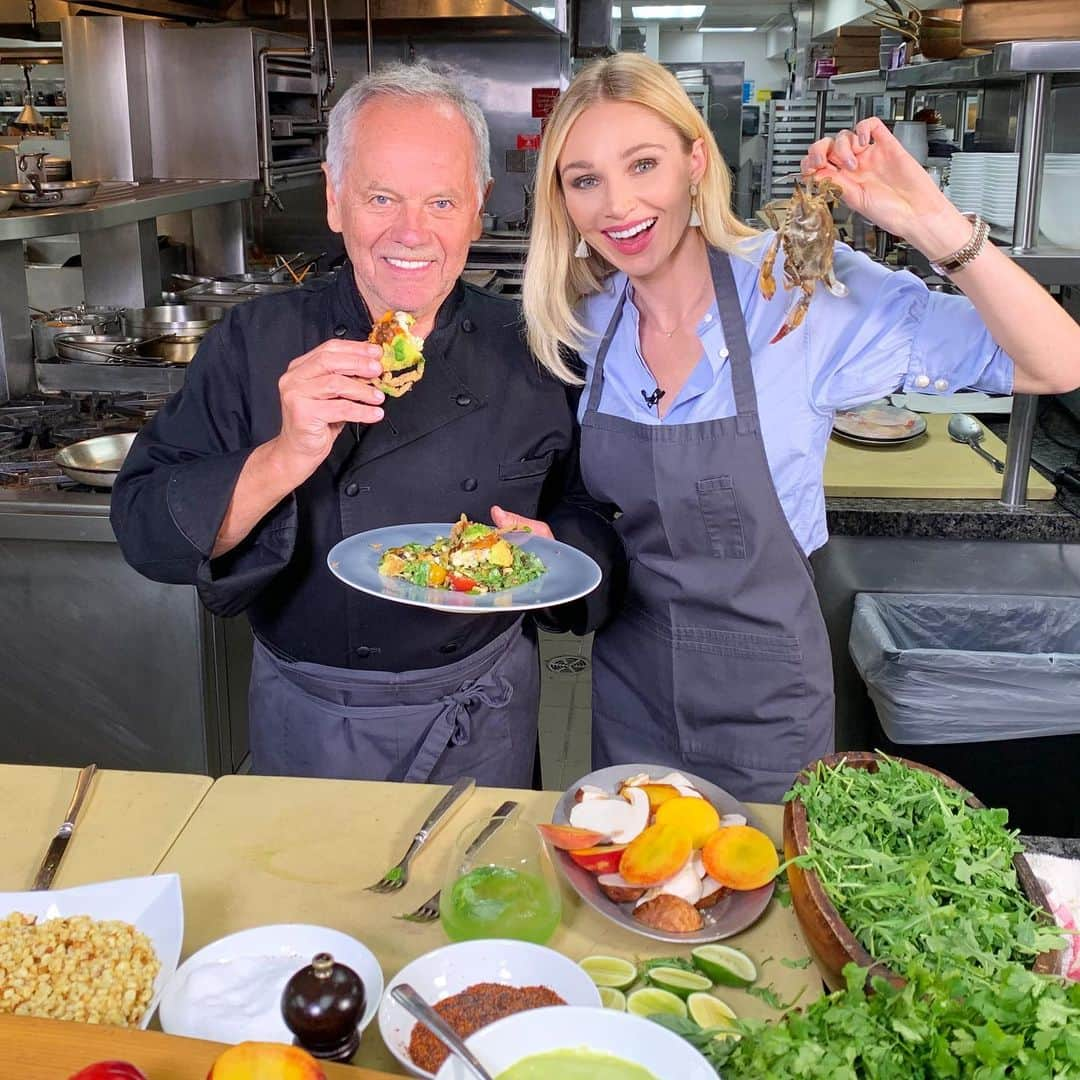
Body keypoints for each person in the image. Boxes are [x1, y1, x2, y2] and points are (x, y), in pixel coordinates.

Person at [516, 53, 1080, 802]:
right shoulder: (590, 321)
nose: (618, 204)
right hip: (628, 689)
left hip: (766, 710)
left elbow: (1056, 361)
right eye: (584, 179)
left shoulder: (794, 289)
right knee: (634, 896)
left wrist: (928, 221)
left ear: (695, 161)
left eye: (643, 164)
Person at [111, 63, 622, 787]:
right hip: (313, 723)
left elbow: (590, 510)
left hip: (485, 714)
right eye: (381, 196)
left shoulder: (536, 346)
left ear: (477, 207)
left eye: (441, 201)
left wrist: (554, 547)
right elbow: (143, 529)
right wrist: (284, 455)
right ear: (334, 198)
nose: (411, 233)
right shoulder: (255, 342)